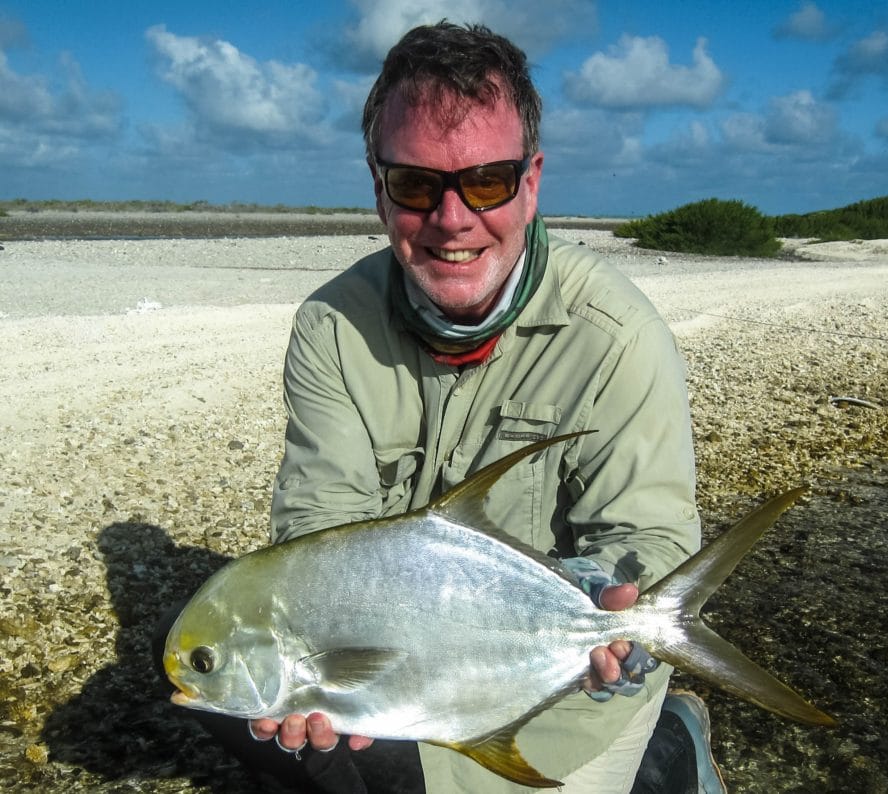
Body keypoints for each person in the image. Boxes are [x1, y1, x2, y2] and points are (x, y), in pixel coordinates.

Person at [154, 20, 721, 794]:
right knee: (238, 720)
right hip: (399, 674)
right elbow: (319, 531)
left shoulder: (618, 337)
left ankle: (669, 748)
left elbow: (646, 537)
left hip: (565, 695)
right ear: (378, 186)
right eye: (417, 185)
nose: (452, 219)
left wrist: (611, 613)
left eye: (486, 180)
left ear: (531, 182)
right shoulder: (331, 329)